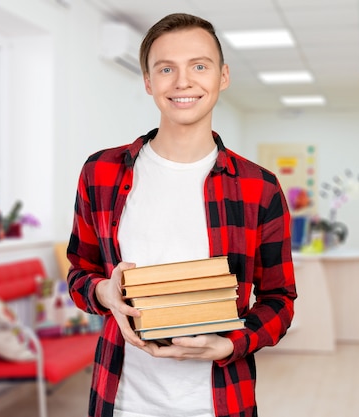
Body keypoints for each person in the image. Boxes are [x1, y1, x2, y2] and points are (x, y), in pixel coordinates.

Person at [66, 12, 297, 417]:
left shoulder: (259, 187)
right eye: (166, 68)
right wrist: (106, 292)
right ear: (148, 82)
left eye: (199, 66)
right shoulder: (100, 173)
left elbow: (280, 300)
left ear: (223, 76)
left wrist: (231, 343)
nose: (183, 81)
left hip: (218, 401)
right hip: (122, 400)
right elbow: (78, 273)